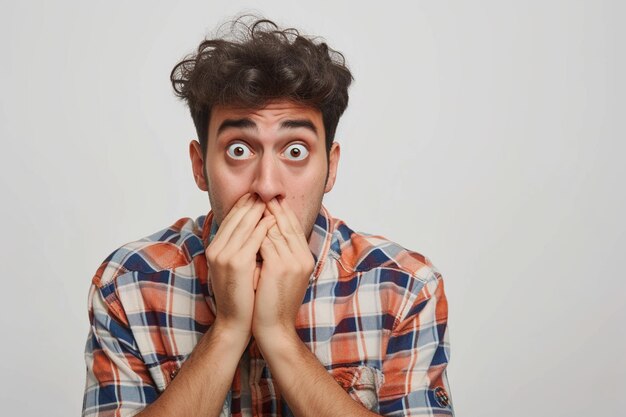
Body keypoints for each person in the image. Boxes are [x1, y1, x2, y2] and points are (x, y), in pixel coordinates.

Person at [81, 15, 454, 417]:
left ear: (330, 168)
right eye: (239, 150)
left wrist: (279, 336)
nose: (266, 184)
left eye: (295, 150)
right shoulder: (129, 284)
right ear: (198, 165)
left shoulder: (404, 287)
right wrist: (227, 329)